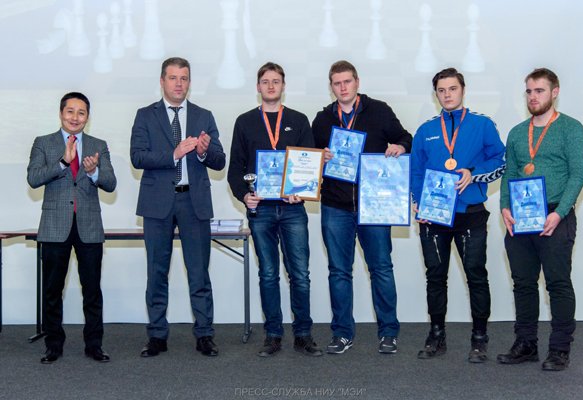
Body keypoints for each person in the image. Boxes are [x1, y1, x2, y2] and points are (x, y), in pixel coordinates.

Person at [312, 60, 412, 354]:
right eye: (337, 83)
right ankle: (342, 334)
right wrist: (320, 157)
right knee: (338, 271)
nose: (342, 87)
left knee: (381, 269)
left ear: (357, 82)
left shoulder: (379, 110)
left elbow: (405, 137)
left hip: (375, 205)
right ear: (331, 87)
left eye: (347, 81)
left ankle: (389, 332)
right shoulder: (322, 119)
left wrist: (400, 147)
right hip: (335, 206)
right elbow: (308, 159)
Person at [130, 57, 226, 357]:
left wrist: (203, 152)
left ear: (189, 82)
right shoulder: (145, 115)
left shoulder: (203, 116)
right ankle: (157, 335)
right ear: (162, 81)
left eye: (184, 78)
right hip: (157, 202)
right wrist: (174, 153)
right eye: (173, 78)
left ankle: (205, 334)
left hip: (193, 202)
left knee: (199, 273)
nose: (178, 83)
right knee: (156, 272)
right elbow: (137, 157)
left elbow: (220, 161)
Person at [410, 68, 506, 363]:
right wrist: (418, 203)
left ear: (463, 90)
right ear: (435, 94)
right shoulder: (426, 130)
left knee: (476, 276)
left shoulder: (482, 124)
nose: (447, 94)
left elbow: (500, 160)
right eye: (441, 90)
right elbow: (415, 171)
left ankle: (480, 337)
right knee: (435, 277)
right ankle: (436, 335)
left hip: (470, 214)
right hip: (434, 217)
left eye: (452, 88)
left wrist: (473, 173)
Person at [497, 68, 583, 371]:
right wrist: (505, 207)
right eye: (529, 91)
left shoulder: (571, 129)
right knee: (523, 283)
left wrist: (559, 213)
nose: (533, 97)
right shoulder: (517, 132)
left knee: (557, 283)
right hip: (520, 217)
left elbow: (578, 175)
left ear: (555, 92)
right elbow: (510, 173)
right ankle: (526, 344)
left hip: (555, 215)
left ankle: (560, 349)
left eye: (539, 91)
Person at [227, 62, 322, 357]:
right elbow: (235, 169)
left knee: (300, 274)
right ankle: (273, 334)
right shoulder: (245, 122)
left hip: (293, 210)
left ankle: (303, 334)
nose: (271, 86)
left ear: (283, 86)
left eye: (276, 81)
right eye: (266, 81)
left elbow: (309, 164)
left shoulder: (298, 120)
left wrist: (301, 192)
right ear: (258, 87)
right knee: (268, 274)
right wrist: (244, 195)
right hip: (261, 211)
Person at [27, 92, 117, 364]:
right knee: (52, 291)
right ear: (61, 113)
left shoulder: (98, 145)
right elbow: (33, 178)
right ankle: (53, 345)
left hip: (89, 226)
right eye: (70, 111)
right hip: (55, 226)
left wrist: (93, 172)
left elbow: (110, 183)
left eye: (81, 112)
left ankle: (94, 345)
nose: (75, 117)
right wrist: (63, 163)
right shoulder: (43, 143)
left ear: (87, 117)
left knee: (92, 290)